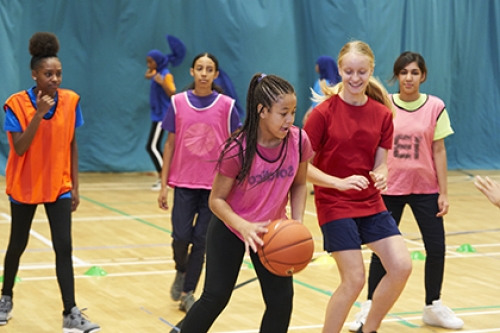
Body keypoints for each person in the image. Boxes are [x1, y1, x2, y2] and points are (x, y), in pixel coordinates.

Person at [180, 73, 313, 333]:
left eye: (293, 112)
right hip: (232, 227)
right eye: (283, 112)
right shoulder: (237, 149)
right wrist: (243, 226)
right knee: (215, 297)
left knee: (281, 302)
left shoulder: (299, 141)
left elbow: (299, 184)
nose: (290, 119)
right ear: (262, 111)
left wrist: (297, 222)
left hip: (272, 232)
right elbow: (216, 200)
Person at [303, 40, 412, 333]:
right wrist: (337, 183)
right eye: (348, 71)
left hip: (370, 203)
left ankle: (369, 329)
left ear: (371, 70)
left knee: (402, 266)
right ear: (339, 70)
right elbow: (301, 167)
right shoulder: (322, 114)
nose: (355, 78)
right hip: (334, 204)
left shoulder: (381, 113)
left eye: (361, 72)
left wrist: (383, 172)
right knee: (354, 279)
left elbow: (381, 161)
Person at [349, 51, 463, 331]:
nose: (409, 77)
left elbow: (439, 150)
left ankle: (432, 305)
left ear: (423, 76)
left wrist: (444, 192)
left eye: (414, 72)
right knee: (382, 251)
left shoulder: (435, 106)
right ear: (396, 76)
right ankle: (369, 306)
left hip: (426, 189)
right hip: (390, 188)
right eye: (404, 72)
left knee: (436, 248)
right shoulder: (384, 103)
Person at [0, 32, 100, 332]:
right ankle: (5, 298)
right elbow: (19, 148)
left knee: (64, 247)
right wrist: (39, 115)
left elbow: (71, 143)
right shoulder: (16, 104)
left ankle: (70, 312)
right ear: (34, 74)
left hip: (59, 186)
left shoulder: (70, 101)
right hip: (25, 185)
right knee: (17, 244)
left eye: (58, 73)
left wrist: (76, 187)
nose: (54, 79)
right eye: (48, 74)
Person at [157, 52, 241, 313]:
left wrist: (237, 184)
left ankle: (187, 292)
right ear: (192, 72)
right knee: (181, 236)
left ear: (216, 74)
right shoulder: (178, 102)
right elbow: (169, 145)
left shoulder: (227, 106)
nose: (204, 73)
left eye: (209, 69)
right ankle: (181, 270)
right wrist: (163, 185)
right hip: (183, 182)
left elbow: (237, 146)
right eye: (199, 68)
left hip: (215, 188)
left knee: (201, 241)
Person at [145, 35, 185, 190]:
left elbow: (173, 93)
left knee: (152, 146)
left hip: (164, 115)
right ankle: (164, 176)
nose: (148, 65)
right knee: (152, 146)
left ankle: (165, 178)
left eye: (151, 61)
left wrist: (162, 84)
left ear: (158, 61)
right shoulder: (157, 72)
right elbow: (147, 74)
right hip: (157, 114)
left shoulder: (165, 75)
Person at [302, 55, 341, 126]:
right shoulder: (332, 84)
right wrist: (309, 111)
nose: (316, 66)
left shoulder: (323, 84)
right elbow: (316, 101)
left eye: (317, 64)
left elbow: (320, 103)